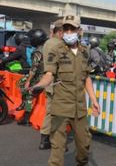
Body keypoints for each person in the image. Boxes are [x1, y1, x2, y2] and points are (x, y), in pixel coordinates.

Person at [31, 14, 100, 166]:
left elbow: (86, 77)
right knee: (57, 150)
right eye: (66, 28)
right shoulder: (55, 50)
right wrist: (39, 86)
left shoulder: (85, 52)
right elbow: (49, 74)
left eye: (72, 28)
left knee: (84, 146)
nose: (69, 32)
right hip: (60, 107)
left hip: (79, 108)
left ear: (79, 30)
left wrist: (94, 100)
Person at [39, 19, 64, 150]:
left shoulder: (47, 43)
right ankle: (57, 141)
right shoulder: (60, 45)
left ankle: (44, 139)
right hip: (59, 83)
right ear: (60, 32)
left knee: (49, 112)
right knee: (60, 114)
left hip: (49, 82)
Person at [16, 29, 48, 126]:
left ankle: (25, 119)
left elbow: (34, 69)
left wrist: (28, 81)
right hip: (47, 75)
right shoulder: (47, 48)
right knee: (21, 82)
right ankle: (23, 103)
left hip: (40, 77)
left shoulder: (37, 52)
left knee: (29, 93)